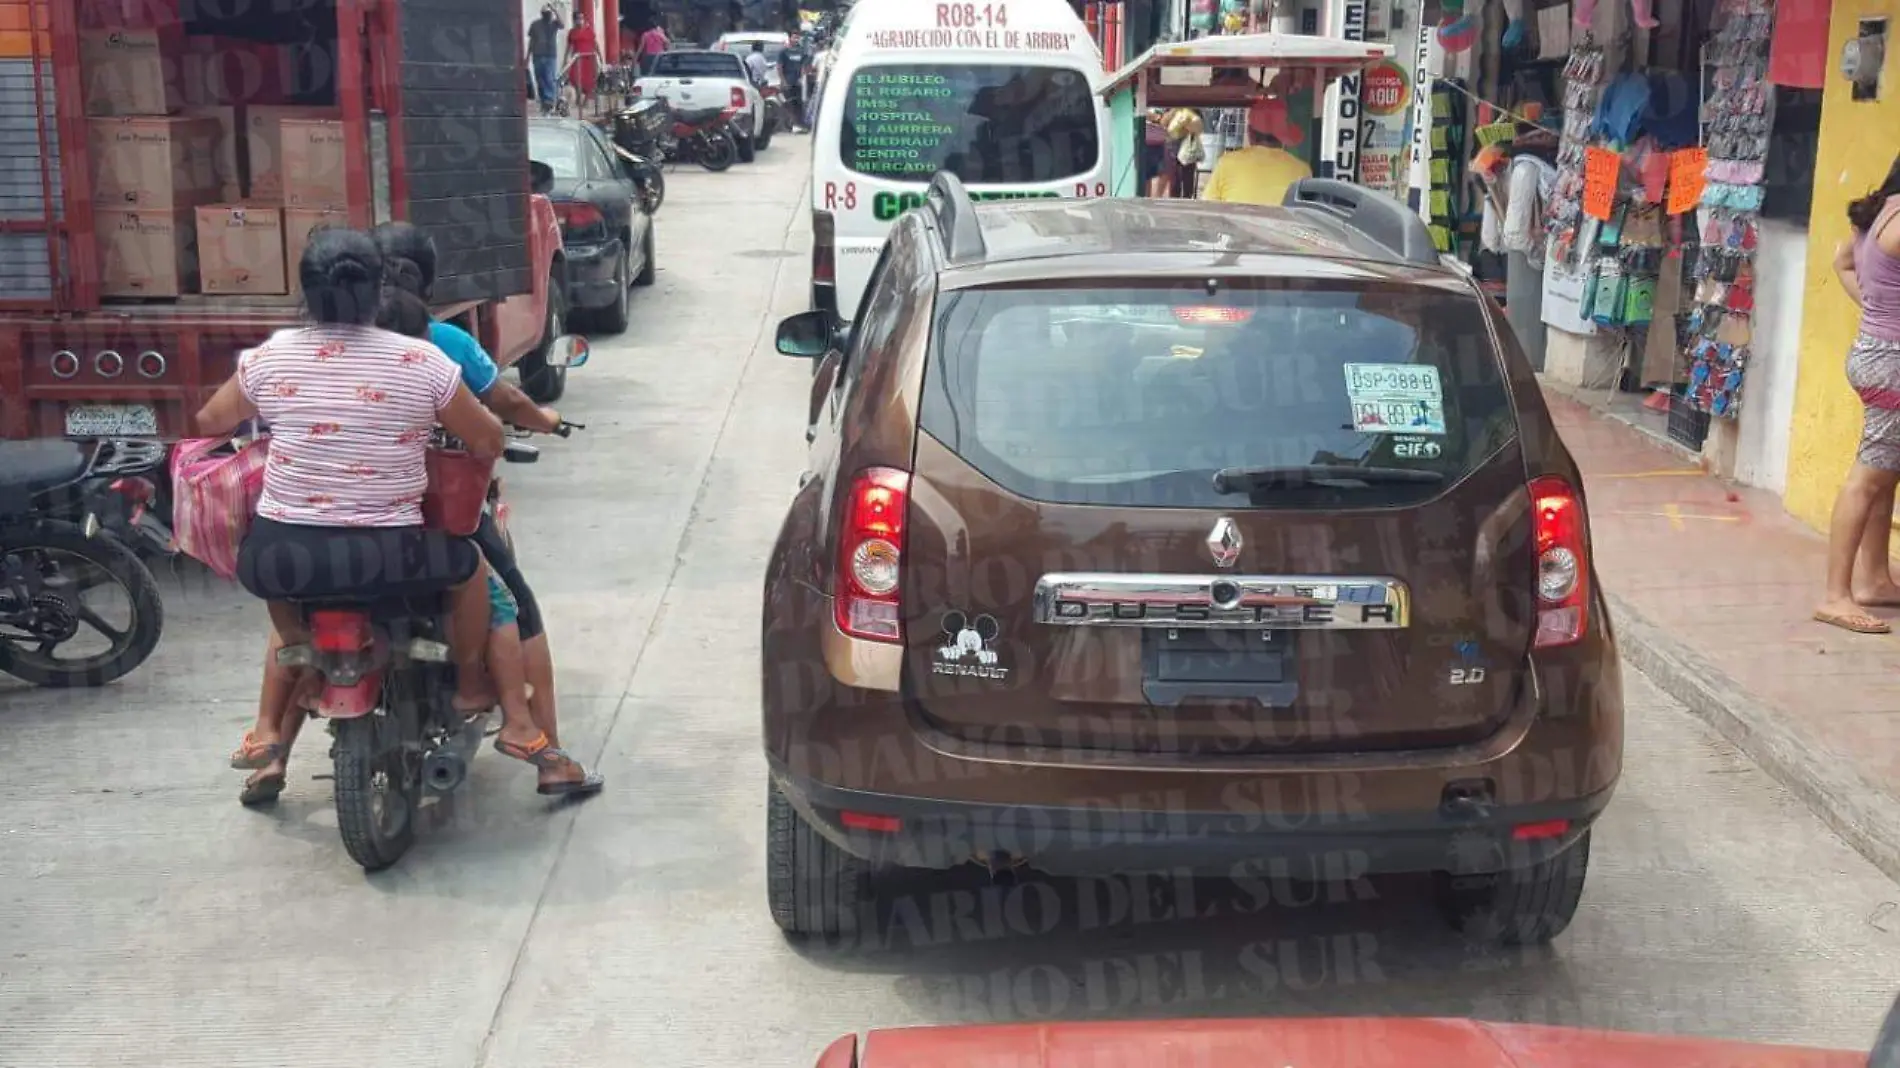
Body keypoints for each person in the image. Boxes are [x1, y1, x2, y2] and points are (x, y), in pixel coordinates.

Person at [226, 223, 600, 801]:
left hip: (292, 547)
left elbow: (218, 421)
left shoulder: (289, 355)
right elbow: (496, 425)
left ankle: (270, 748)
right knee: (508, 605)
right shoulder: (432, 350)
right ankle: (531, 736)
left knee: (292, 625)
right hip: (410, 537)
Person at [196, 228, 503, 804]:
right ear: (377, 290)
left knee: (281, 574)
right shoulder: (423, 359)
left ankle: (286, 694)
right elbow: (488, 437)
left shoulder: (271, 356)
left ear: (305, 292)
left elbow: (211, 419)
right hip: (388, 555)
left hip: (281, 560)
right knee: (470, 567)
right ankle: (467, 686)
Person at [1815, 153, 1900, 635]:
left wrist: (1875, 308)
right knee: (1869, 477)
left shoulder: (1883, 210)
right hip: (1892, 364)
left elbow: (1841, 260)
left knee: (1885, 472)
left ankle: (1873, 580)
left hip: (1875, 350)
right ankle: (1836, 595)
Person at [1202, 96, 1313, 207]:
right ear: (1284, 136)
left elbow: (1207, 206)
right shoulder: (1302, 170)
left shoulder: (1227, 163)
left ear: (1250, 133)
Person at [528, 4, 563, 111]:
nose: (548, 15)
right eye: (546, 13)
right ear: (542, 14)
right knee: (540, 79)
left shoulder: (554, 24)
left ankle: (550, 100)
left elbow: (562, 24)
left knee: (549, 78)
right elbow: (532, 41)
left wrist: (555, 10)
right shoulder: (535, 24)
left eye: (549, 13)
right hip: (537, 55)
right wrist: (527, 57)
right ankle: (543, 101)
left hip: (550, 55)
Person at [566, 10, 601, 106]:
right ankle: (578, 96)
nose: (580, 20)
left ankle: (585, 101)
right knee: (574, 78)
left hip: (589, 59)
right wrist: (566, 60)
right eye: (578, 18)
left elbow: (595, 44)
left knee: (589, 81)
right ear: (574, 20)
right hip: (577, 59)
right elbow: (569, 47)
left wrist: (600, 57)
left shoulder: (589, 30)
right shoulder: (572, 32)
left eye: (581, 18)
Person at [778, 35, 809, 132]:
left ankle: (799, 124)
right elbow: (779, 67)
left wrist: (802, 78)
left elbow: (804, 67)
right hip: (788, 82)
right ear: (790, 39)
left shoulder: (802, 51)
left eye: (797, 38)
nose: (796, 40)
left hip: (798, 83)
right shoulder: (783, 52)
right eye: (794, 37)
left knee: (799, 104)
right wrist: (783, 81)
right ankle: (788, 125)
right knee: (788, 104)